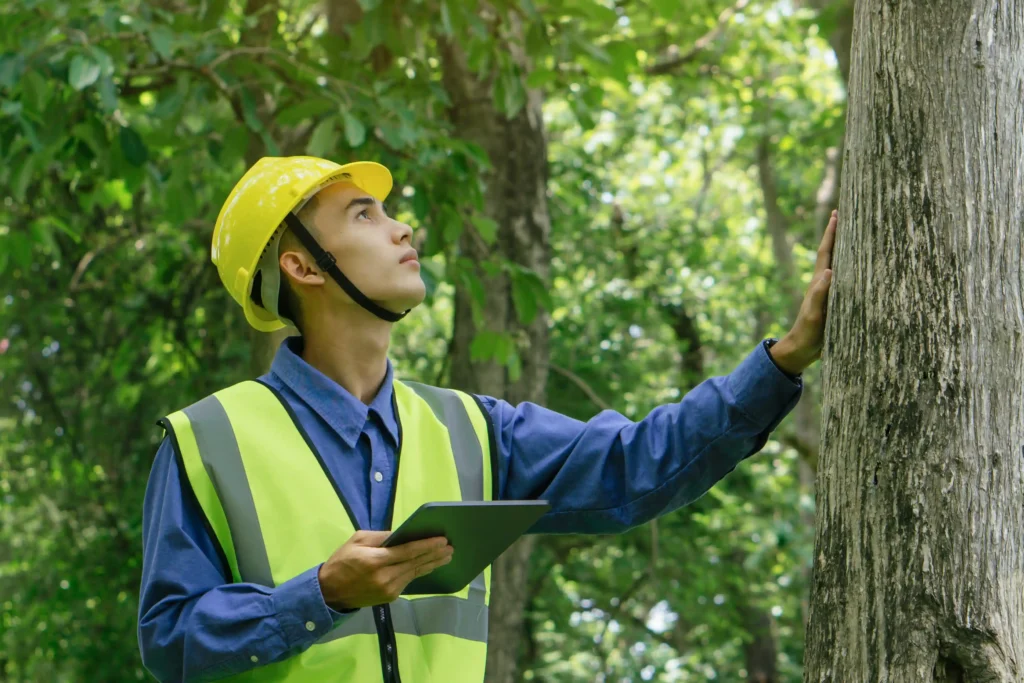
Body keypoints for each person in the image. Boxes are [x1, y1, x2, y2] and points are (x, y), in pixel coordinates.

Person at [137, 157, 837, 682]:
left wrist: (783, 358)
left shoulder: (474, 430)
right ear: (302, 265)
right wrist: (319, 594)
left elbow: (637, 465)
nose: (399, 226)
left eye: (386, 210)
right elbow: (169, 639)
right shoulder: (208, 440)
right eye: (362, 215)